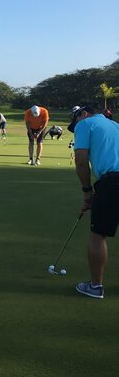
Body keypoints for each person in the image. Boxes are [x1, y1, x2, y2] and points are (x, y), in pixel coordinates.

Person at [69, 104, 119, 299]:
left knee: (98, 236)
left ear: (83, 113)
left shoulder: (85, 123)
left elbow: (81, 161)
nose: (76, 127)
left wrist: (87, 191)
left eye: (76, 121)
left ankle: (95, 286)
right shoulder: (115, 125)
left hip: (112, 182)